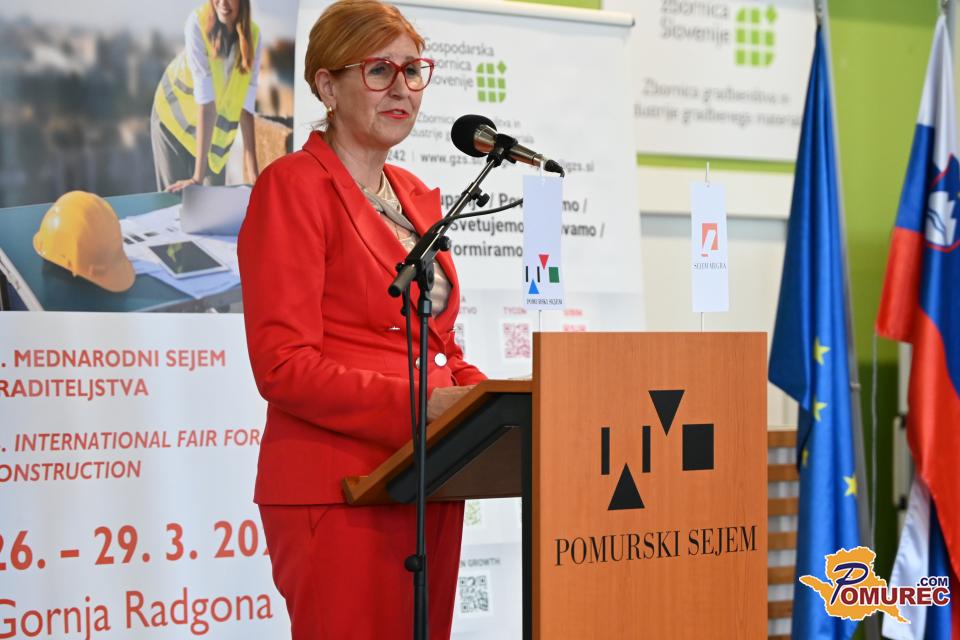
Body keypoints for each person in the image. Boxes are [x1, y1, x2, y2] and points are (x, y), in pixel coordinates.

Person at [236, 1, 486, 638]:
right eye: (379, 71)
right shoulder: (294, 187)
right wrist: (423, 405)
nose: (402, 88)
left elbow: (437, 344)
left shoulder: (415, 195)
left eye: (413, 70)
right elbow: (283, 366)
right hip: (341, 487)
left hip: (430, 476)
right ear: (327, 86)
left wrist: (486, 399)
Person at [151, 0, 262, 193]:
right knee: (175, 202)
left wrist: (255, 176)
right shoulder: (197, 23)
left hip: (211, 138)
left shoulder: (253, 37)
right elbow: (207, 103)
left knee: (211, 203)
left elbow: (246, 109)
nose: (223, 3)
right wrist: (197, 178)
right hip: (173, 124)